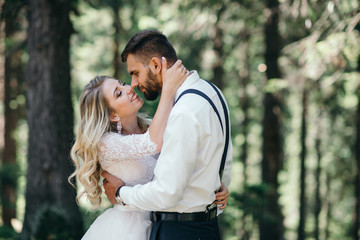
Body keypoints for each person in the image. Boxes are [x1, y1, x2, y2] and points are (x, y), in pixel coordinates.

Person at [69, 59, 229, 240]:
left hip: (163, 223)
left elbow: (184, 157)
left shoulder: (151, 127)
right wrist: (168, 89)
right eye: (118, 93)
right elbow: (153, 143)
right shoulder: (106, 144)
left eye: (122, 84)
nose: (129, 88)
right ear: (113, 115)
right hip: (129, 229)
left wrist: (213, 184)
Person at [102, 29, 233, 240]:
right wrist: (216, 189)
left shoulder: (183, 111)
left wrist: (120, 194)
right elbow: (224, 157)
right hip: (207, 227)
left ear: (155, 65)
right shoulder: (212, 91)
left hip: (179, 232)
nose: (133, 84)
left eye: (135, 73)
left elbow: (166, 193)